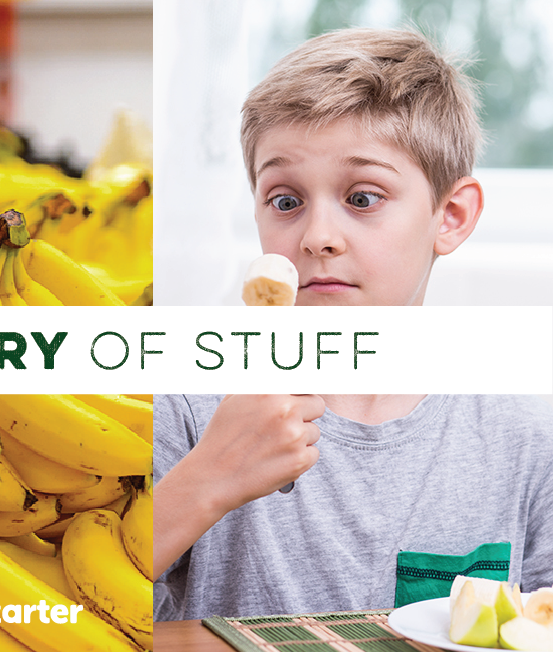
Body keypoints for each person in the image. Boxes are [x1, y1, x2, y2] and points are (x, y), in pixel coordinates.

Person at [152, 27, 553, 621]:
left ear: (451, 217)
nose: (317, 238)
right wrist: (209, 479)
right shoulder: (184, 401)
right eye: (285, 201)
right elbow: (87, 613)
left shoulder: (525, 428)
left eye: (363, 198)